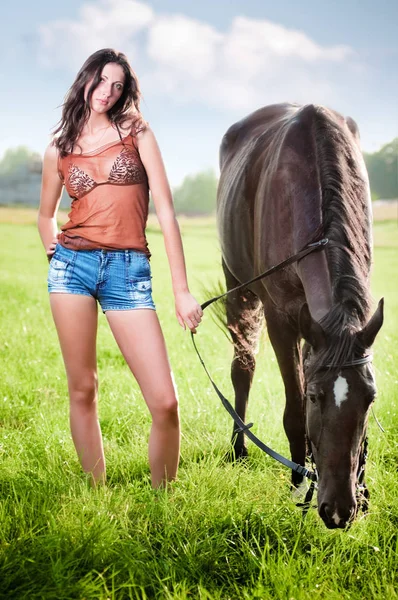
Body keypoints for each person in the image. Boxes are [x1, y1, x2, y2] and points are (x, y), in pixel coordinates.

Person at [37, 48, 203, 487]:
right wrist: (53, 250)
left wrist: (181, 290)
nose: (107, 92)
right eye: (101, 80)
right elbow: (44, 214)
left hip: (128, 272)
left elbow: (165, 213)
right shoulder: (60, 147)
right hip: (71, 269)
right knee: (83, 388)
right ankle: (97, 494)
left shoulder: (138, 133)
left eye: (118, 85)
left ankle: (162, 503)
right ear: (85, 78)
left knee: (165, 402)